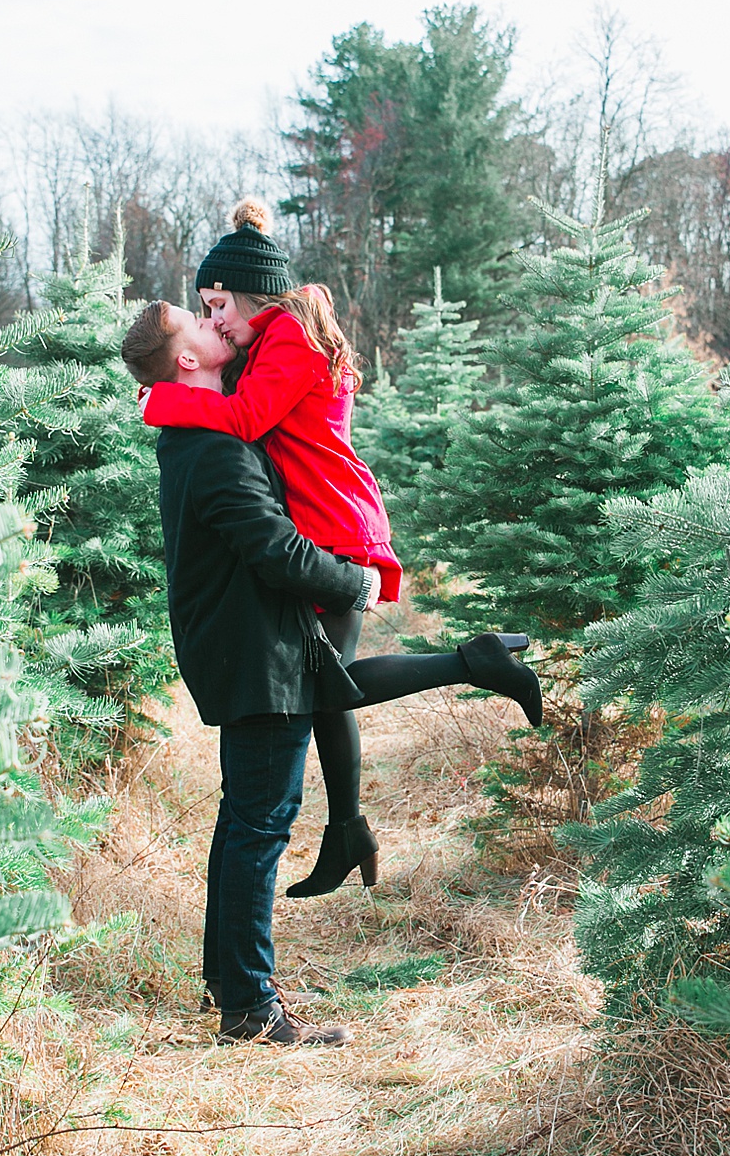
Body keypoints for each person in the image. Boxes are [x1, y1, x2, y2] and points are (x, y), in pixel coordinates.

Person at [121, 299, 540, 1047]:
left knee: (240, 819)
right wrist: (356, 584)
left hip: (248, 649)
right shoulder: (213, 450)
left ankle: (228, 978)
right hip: (258, 659)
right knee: (260, 826)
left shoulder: (192, 433)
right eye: (200, 322)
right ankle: (250, 1007)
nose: (216, 325)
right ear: (185, 359)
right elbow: (275, 549)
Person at [140, 199, 524, 899]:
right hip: (325, 517)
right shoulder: (273, 334)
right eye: (205, 308)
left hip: (333, 525)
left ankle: (475, 662)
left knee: (327, 686)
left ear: (253, 292)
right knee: (325, 688)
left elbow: (248, 417)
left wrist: (160, 403)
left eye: (219, 302)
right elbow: (233, 396)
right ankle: (348, 828)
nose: (215, 317)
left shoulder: (287, 335)